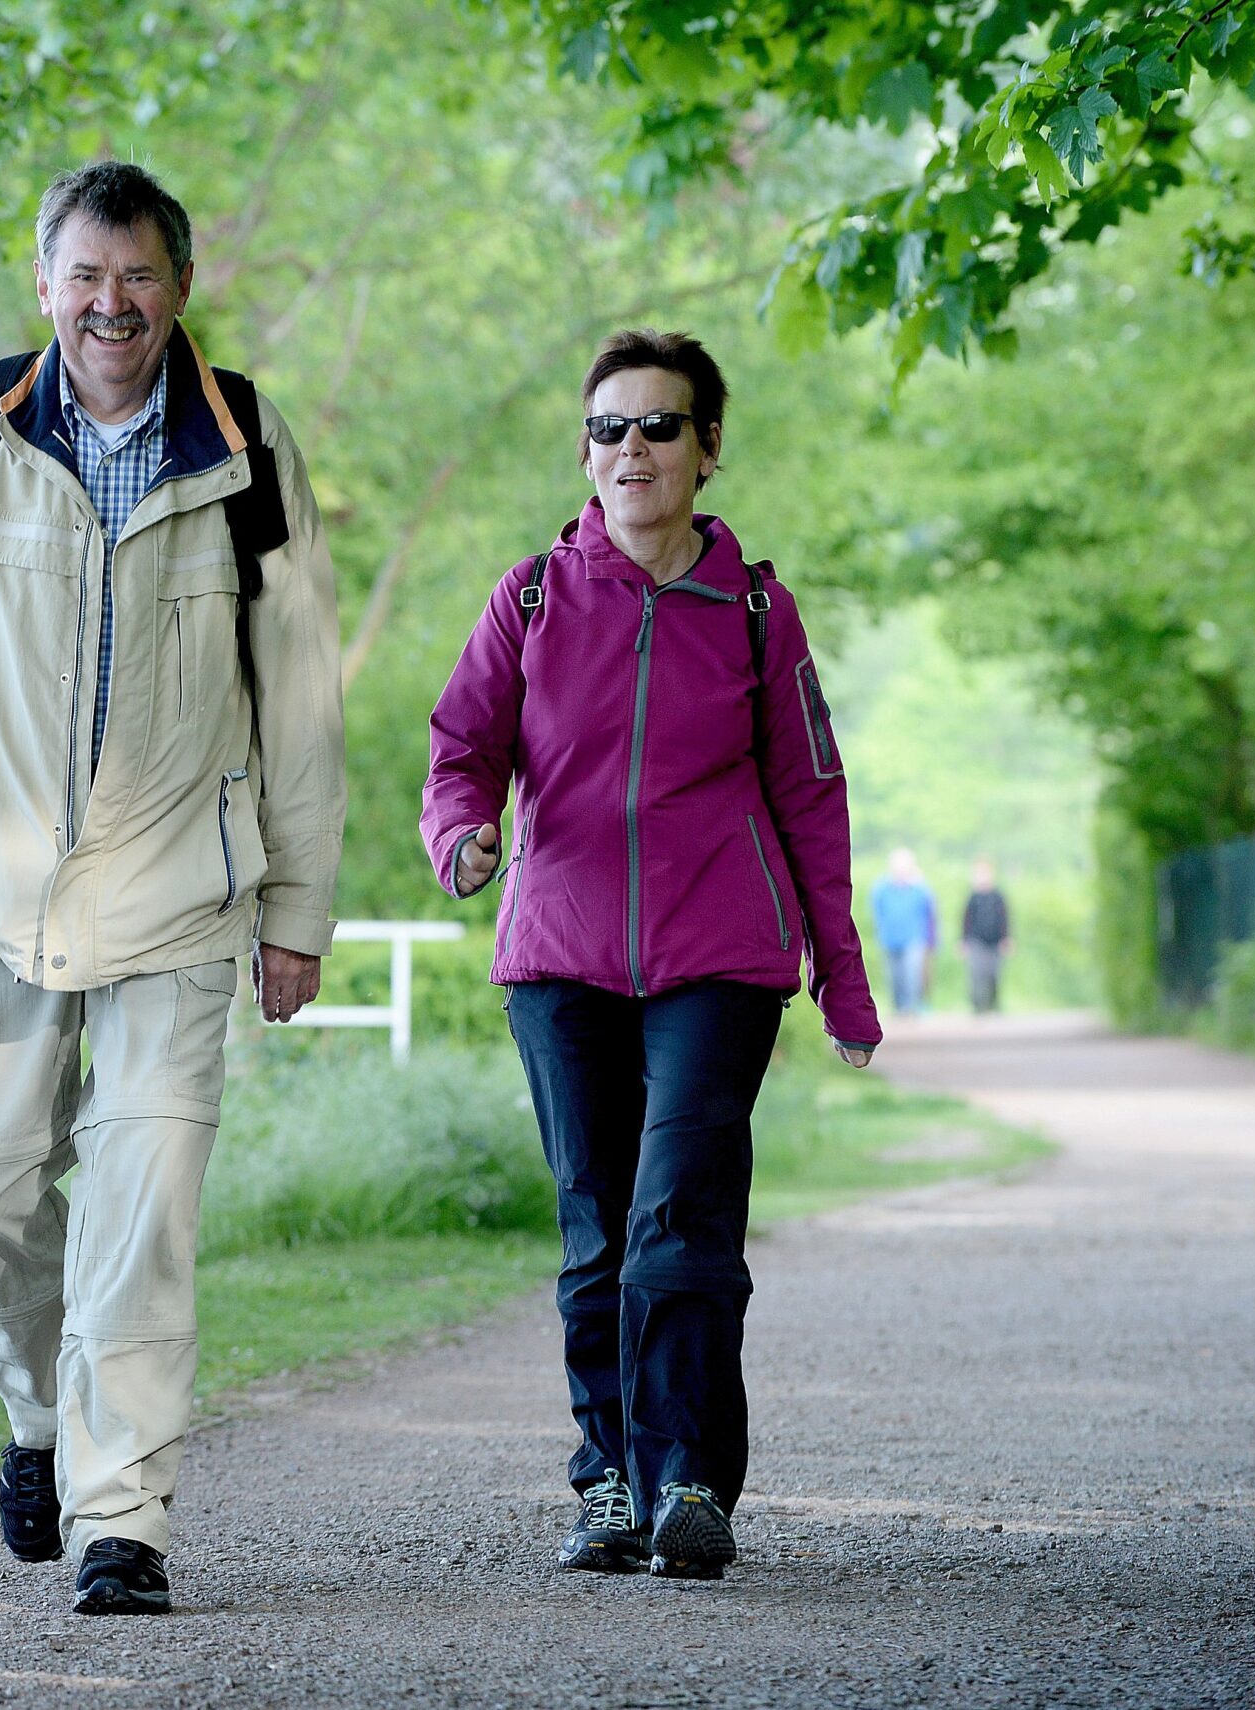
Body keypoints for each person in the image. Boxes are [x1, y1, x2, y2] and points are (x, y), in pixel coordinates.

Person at [0, 161, 346, 1617]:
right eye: (86, 277)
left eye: (139, 277)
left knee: (142, 1210)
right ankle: (41, 1421)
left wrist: (297, 904)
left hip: (181, 899)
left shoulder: (246, 444)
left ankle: (126, 1518)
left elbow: (298, 696)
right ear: (46, 285)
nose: (111, 304)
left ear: (180, 287)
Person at [419, 329, 881, 1582]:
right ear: (586, 451)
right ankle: (608, 1481)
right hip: (559, 958)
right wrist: (460, 834)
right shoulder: (526, 599)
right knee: (594, 1232)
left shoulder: (753, 611)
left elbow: (809, 795)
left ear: (707, 448)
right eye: (608, 428)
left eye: (659, 426)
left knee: (679, 1221)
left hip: (719, 961)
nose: (632, 449)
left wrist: (840, 974)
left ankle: (690, 1483)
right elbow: (459, 749)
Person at [871, 848, 937, 1016]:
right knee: (894, 977)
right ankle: (899, 1009)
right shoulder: (882, 888)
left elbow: (931, 913)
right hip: (890, 939)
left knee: (912, 975)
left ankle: (913, 1008)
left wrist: (932, 940)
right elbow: (877, 911)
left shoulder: (920, 888)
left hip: (914, 939)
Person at [961, 858, 1012, 1014]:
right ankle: (978, 1006)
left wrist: (1006, 939)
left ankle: (993, 1004)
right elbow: (966, 920)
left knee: (993, 975)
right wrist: (964, 941)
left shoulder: (998, 897)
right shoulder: (973, 898)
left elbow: (1005, 919)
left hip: (995, 942)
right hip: (976, 941)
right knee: (976, 974)